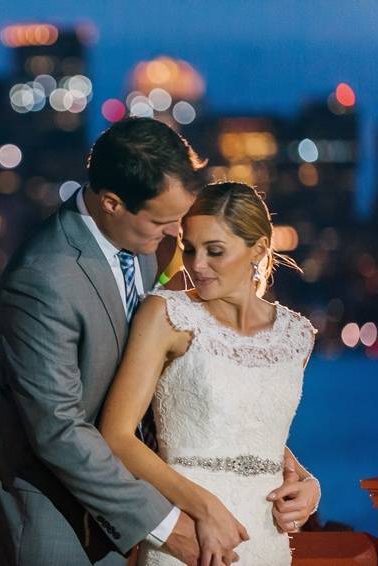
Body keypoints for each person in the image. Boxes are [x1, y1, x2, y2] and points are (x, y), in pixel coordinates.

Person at [0, 117, 207, 565]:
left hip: (128, 517)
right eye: (162, 221)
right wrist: (162, 524)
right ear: (112, 203)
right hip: (54, 527)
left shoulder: (142, 247)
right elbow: (57, 429)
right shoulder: (41, 278)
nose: (175, 234)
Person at [99, 182, 322, 565]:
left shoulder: (296, 336)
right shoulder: (166, 315)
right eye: (189, 248)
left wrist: (308, 483)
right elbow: (116, 437)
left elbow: (248, 427)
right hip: (189, 534)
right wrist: (203, 506)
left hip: (266, 539)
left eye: (214, 251)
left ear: (259, 249)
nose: (196, 264)